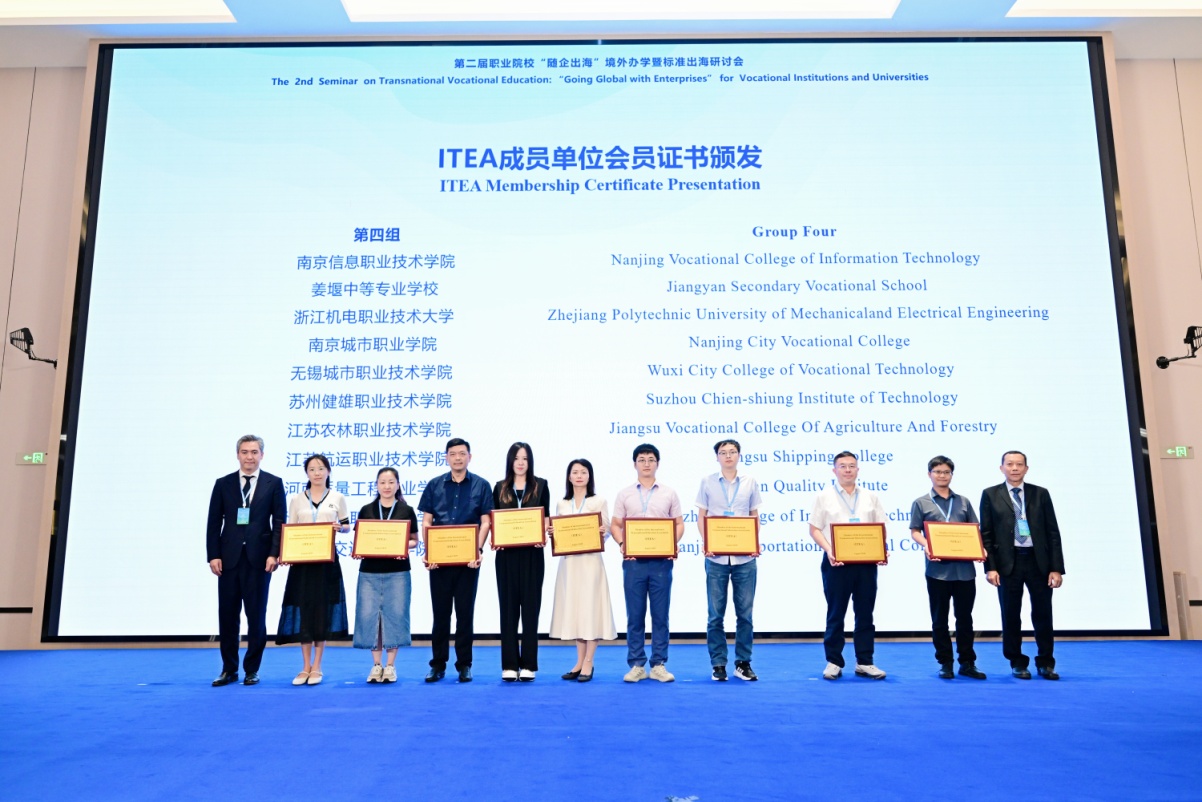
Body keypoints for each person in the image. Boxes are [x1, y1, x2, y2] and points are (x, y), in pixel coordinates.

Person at [206, 434, 287, 687]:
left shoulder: (274, 483)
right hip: (228, 560)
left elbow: (279, 522)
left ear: (262, 455)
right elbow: (213, 522)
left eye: (254, 452)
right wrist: (213, 555)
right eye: (244, 452)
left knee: (256, 617)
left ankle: (252, 669)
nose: (249, 457)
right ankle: (229, 669)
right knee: (227, 617)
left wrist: (274, 553)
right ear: (237, 455)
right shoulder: (223, 483)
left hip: (260, 560)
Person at [979, 450, 1066, 680]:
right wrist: (990, 567)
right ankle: (1017, 662)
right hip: (1008, 563)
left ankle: (1046, 663)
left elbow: (1053, 532)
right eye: (1009, 464)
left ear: (1026, 468)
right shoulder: (990, 494)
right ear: (1001, 468)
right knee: (1010, 615)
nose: (1014, 468)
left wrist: (1056, 568)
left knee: (1043, 614)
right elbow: (986, 534)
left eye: (1019, 464)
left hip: (1039, 562)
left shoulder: (1040, 493)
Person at [417, 437, 493, 683]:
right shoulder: (434, 485)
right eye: (453, 454)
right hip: (439, 562)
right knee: (440, 615)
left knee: (464, 615)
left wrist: (477, 550)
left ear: (470, 457)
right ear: (446, 457)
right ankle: (438, 664)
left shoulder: (481, 485)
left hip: (468, 562)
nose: (457, 458)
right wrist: (429, 552)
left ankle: (464, 665)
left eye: (462, 453)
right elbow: (427, 521)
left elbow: (486, 522)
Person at [808, 450, 888, 680]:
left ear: (858, 469)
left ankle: (865, 662)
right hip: (836, 563)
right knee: (836, 613)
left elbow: (880, 527)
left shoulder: (871, 496)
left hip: (866, 563)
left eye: (852, 466)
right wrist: (829, 550)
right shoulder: (824, 497)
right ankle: (834, 662)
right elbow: (814, 529)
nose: (847, 470)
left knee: (865, 613)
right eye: (842, 466)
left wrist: (881, 549)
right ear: (834, 470)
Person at [611, 443, 684, 683]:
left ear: (657, 464)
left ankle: (659, 664)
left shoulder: (669, 493)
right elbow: (616, 525)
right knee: (635, 615)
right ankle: (637, 665)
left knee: (660, 615)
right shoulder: (624, 494)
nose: (646, 463)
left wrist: (672, 544)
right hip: (634, 563)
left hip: (661, 562)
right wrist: (623, 544)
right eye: (641, 459)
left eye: (651, 459)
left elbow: (679, 524)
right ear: (635, 464)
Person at [908, 456, 986, 680]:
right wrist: (927, 545)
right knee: (939, 620)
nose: (942, 475)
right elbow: (915, 531)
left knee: (965, 619)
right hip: (937, 571)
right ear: (929, 474)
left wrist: (980, 549)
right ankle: (945, 663)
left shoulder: (963, 501)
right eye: (937, 471)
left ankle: (967, 663)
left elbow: (974, 530)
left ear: (952, 475)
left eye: (946, 472)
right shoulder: (921, 502)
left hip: (964, 571)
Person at [276, 453, 350, 686]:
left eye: (321, 468)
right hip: (302, 564)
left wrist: (340, 528)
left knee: (321, 611)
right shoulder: (297, 499)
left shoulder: (337, 497)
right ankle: (304, 666)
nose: (317, 473)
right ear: (306, 473)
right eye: (312, 469)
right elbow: (290, 529)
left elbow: (347, 526)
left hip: (327, 563)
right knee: (304, 611)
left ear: (328, 471)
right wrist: (285, 554)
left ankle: (317, 666)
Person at [695, 439, 763, 682]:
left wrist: (754, 542)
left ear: (739, 455)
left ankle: (743, 663)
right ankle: (718, 664)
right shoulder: (707, 482)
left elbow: (754, 515)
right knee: (715, 615)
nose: (728, 456)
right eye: (723, 452)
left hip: (745, 559)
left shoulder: (750, 482)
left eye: (732, 452)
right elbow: (702, 516)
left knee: (745, 615)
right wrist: (707, 543)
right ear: (717, 457)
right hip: (716, 559)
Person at [549, 458, 616, 683]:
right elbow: (558, 531)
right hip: (569, 564)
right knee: (576, 610)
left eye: (583, 472)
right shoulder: (562, 503)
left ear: (589, 476)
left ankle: (589, 661)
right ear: (569, 477)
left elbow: (607, 530)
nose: (579, 476)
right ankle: (578, 662)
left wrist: (603, 531)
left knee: (590, 609)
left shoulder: (599, 500)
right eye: (575, 472)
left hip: (590, 562)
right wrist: (553, 533)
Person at [491, 442, 551, 682]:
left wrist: (543, 534)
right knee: (507, 611)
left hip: (532, 556)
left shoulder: (540, 485)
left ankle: (528, 665)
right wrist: (495, 538)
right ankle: (509, 664)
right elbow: (494, 520)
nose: (520, 462)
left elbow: (546, 518)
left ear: (530, 461)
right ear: (510, 461)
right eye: (516, 458)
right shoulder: (499, 487)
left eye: (525, 458)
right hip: (506, 556)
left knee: (530, 610)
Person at [353, 467, 419, 684]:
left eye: (391, 482)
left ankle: (390, 666)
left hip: (398, 572)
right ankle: (376, 665)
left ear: (398, 485)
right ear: (376, 485)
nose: (387, 486)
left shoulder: (406, 510)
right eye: (382, 482)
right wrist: (359, 550)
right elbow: (360, 540)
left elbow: (415, 540)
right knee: (370, 617)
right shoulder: (366, 510)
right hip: (369, 572)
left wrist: (403, 546)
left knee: (395, 616)